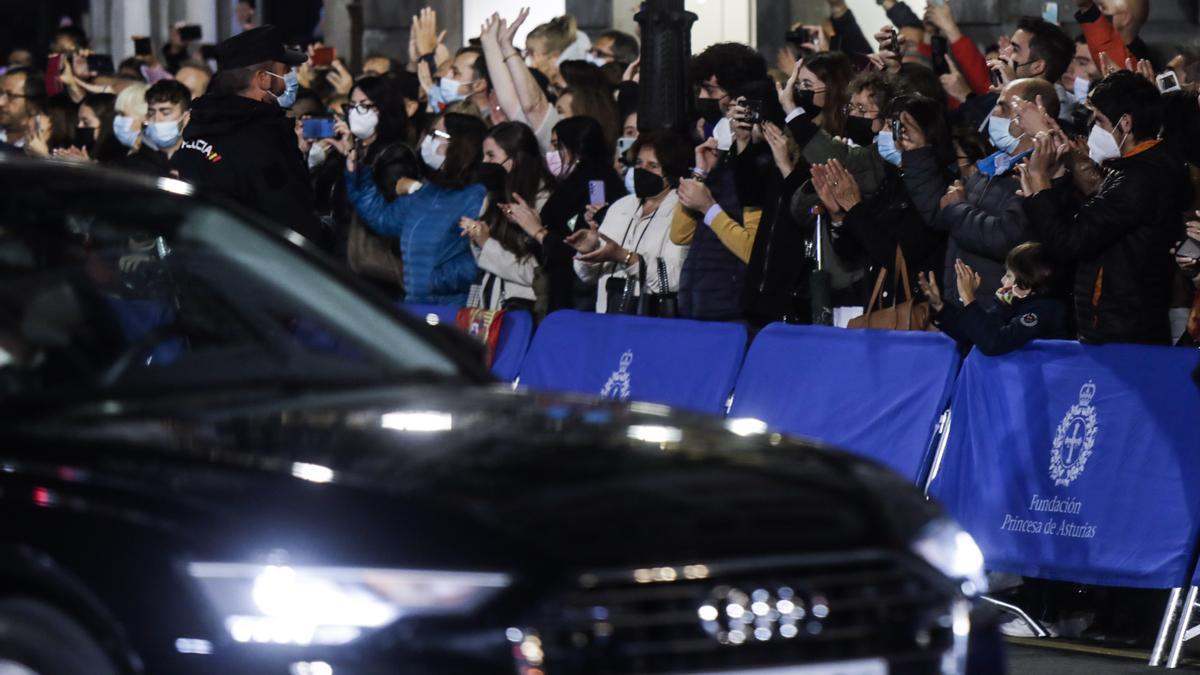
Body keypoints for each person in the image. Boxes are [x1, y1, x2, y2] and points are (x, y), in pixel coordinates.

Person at [1018, 71, 1192, 345]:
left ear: (1125, 122)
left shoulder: (1139, 179)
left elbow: (1069, 241)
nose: (1094, 129)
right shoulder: (1145, 167)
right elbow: (1095, 216)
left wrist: (1039, 181)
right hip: (1124, 323)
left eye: (1099, 120)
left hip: (1120, 330)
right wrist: (1060, 170)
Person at [904, 78, 1058, 308]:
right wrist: (918, 152)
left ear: (1035, 114)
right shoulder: (993, 165)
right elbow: (942, 213)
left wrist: (957, 208)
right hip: (964, 307)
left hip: (994, 311)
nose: (994, 113)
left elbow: (1005, 238)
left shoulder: (1039, 173)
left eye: (1004, 107)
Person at [172, 26, 325, 248]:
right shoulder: (263, 138)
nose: (288, 80)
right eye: (283, 72)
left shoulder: (201, 125)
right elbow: (290, 218)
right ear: (263, 79)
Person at [346, 113, 488, 306]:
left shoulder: (477, 197)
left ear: (461, 146)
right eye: (430, 133)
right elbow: (383, 218)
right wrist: (356, 172)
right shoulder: (428, 191)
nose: (429, 140)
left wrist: (433, 280)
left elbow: (481, 257)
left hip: (453, 313)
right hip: (416, 308)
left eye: (437, 134)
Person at [501, 116, 627, 313]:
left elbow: (580, 240)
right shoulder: (568, 186)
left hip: (580, 297)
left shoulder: (596, 184)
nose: (551, 154)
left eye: (556, 146)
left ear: (575, 149)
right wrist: (529, 219)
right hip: (563, 288)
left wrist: (538, 231)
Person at [569, 130, 690, 314]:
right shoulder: (620, 207)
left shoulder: (682, 212)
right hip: (607, 320)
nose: (642, 171)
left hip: (651, 324)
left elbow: (672, 281)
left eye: (653, 166)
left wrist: (625, 257)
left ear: (671, 172)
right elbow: (587, 277)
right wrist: (589, 251)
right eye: (639, 163)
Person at [460, 121, 551, 311]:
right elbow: (485, 261)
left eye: (491, 155)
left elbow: (533, 272)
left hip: (521, 311)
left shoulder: (543, 201)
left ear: (516, 159)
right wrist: (477, 238)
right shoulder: (492, 195)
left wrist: (486, 244)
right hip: (489, 306)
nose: (484, 163)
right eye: (483, 155)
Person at [920, 243, 1068, 355]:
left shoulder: (1043, 312)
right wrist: (940, 306)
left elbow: (993, 344)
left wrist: (969, 298)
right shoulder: (1010, 304)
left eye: (1009, 275)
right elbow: (974, 335)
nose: (1003, 280)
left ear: (1027, 285)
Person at [119, 80, 191, 176]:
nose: (157, 119)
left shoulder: (197, 161)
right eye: (151, 112)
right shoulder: (132, 164)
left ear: (186, 117)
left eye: (165, 112)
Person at [0, 67, 44, 148]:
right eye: (0, 93)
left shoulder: (51, 147)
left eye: (11, 96)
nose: (1, 102)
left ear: (34, 104)